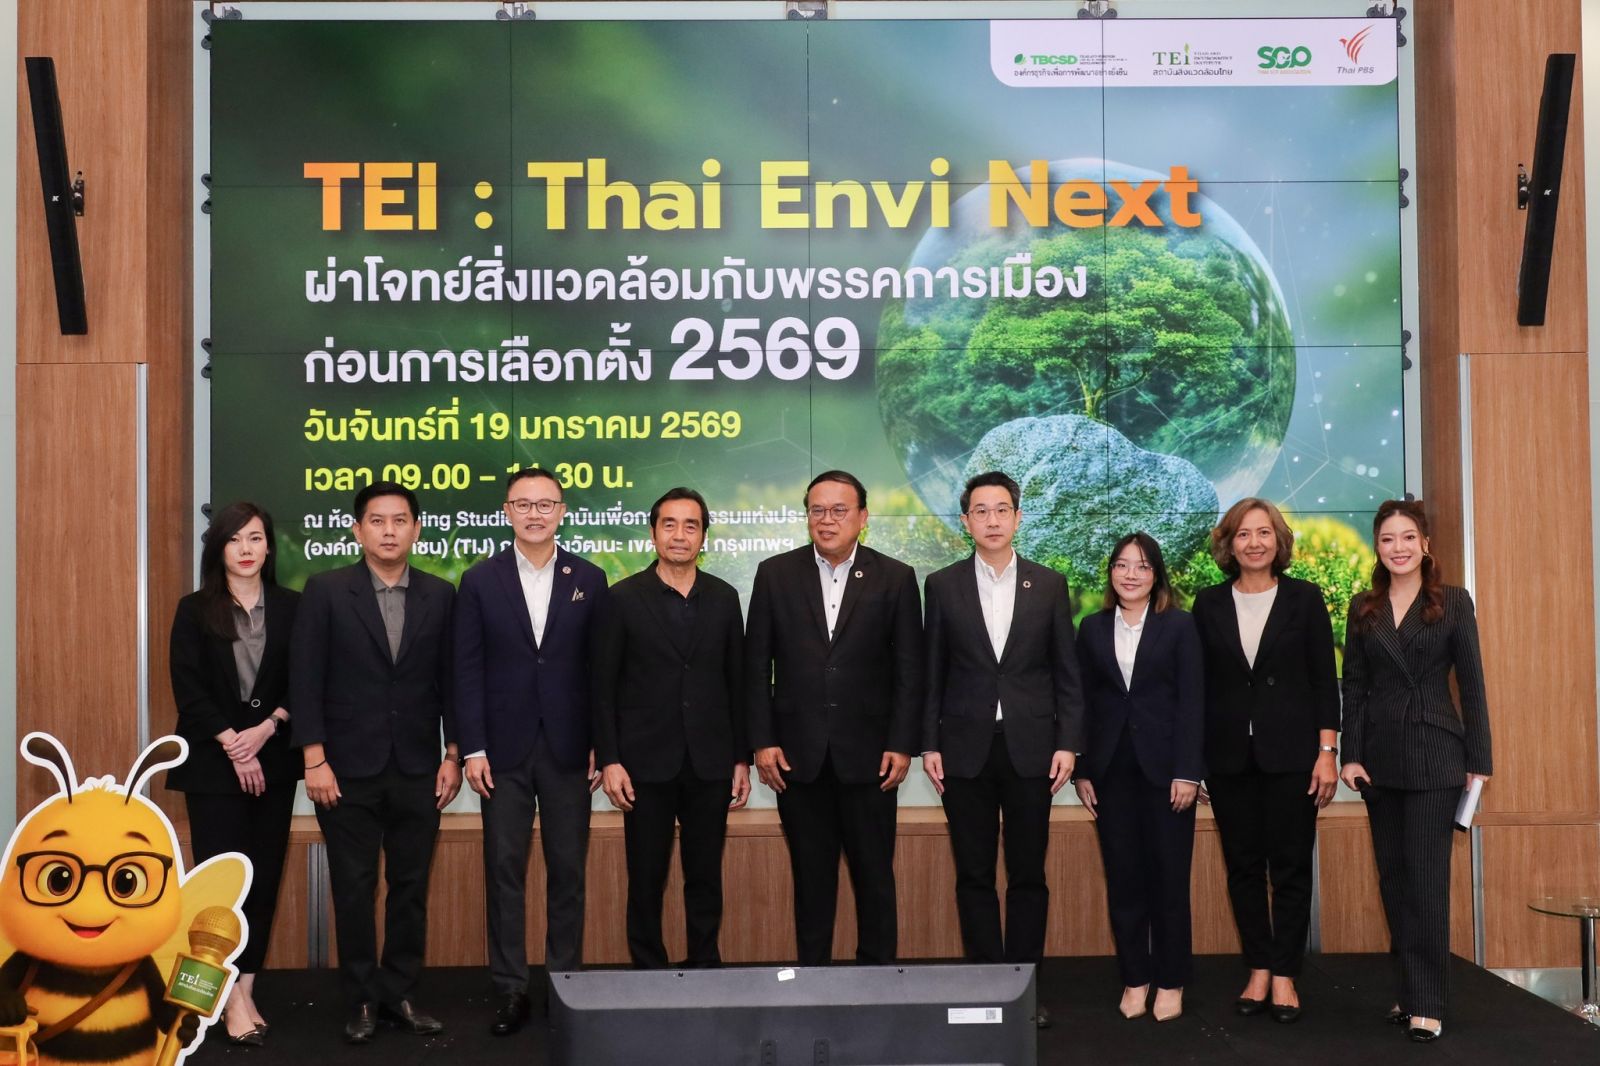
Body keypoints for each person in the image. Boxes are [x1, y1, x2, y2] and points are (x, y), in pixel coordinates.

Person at [291, 482, 462, 1044]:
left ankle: (401, 993)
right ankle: (362, 997)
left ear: (416, 529)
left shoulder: (440, 594)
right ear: (358, 529)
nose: (389, 531)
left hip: (418, 766)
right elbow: (305, 677)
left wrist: (453, 754)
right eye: (377, 520)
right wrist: (314, 758)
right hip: (344, 770)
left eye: (400, 520)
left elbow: (453, 682)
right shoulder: (326, 591)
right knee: (354, 887)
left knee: (410, 886)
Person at [746, 470, 923, 965]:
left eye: (839, 510)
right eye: (817, 510)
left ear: (863, 517)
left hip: (872, 758)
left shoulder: (896, 577)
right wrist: (761, 741)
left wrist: (902, 742)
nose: (827, 520)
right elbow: (755, 665)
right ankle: (813, 982)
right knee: (811, 879)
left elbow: (910, 671)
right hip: (796, 758)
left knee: (874, 878)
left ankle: (878, 980)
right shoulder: (775, 574)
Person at [454, 467, 607, 1035]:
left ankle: (565, 985)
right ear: (507, 512)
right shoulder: (479, 579)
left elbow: (601, 671)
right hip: (502, 751)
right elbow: (466, 669)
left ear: (562, 512)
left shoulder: (589, 578)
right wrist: (472, 747)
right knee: (504, 871)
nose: (535, 514)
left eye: (546, 504)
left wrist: (602, 743)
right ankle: (510, 989)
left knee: (568, 870)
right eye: (524, 504)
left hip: (570, 748)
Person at [921, 471, 1083, 996]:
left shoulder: (1049, 583)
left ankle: (1024, 988)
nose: (992, 520)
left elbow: (1066, 673)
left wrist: (1068, 742)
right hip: (963, 749)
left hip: (1031, 749)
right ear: (965, 521)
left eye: (1002, 510)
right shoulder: (942, 585)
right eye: (981, 511)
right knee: (973, 873)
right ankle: (986, 985)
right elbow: (932, 671)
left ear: (1018, 517)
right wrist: (929, 743)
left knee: (1028, 874)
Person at [1339, 499, 1492, 1043]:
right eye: (1387, 539)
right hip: (1379, 762)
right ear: (1377, 547)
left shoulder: (1452, 602)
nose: (1398, 547)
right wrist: (1350, 755)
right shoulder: (1364, 607)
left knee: (1426, 884)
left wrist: (1480, 762)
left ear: (1425, 544)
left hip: (1436, 758)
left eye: (1408, 537)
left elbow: (1471, 684)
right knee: (1394, 881)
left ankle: (1428, 1003)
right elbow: (1354, 686)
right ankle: (1409, 991)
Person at [1191, 498, 1339, 1023]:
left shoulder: (1305, 598)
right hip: (1228, 758)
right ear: (1229, 544)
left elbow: (1323, 681)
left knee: (1291, 868)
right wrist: (1195, 760)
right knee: (1243, 868)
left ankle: (1285, 973)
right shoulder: (1208, 604)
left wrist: (1327, 753)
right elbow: (1198, 687)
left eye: (1263, 532)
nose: (1254, 542)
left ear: (1278, 541)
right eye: (1243, 534)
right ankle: (1257, 967)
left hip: (1293, 757)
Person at [591, 487, 750, 970]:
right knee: (646, 878)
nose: (680, 535)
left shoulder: (723, 598)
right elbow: (603, 687)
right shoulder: (621, 598)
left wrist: (740, 758)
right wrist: (610, 759)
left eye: (691, 525)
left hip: (709, 762)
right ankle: (648, 972)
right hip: (643, 764)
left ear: (703, 536)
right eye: (670, 524)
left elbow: (738, 682)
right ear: (653, 532)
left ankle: (705, 967)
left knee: (705, 876)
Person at [167, 501, 298, 1046]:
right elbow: (188, 686)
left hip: (275, 758)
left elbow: (305, 681)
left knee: (263, 880)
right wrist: (233, 743)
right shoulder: (195, 609)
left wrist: (267, 728)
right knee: (224, 884)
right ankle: (229, 999)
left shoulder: (293, 607)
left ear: (269, 546)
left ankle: (244, 987)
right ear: (218, 548)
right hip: (213, 766)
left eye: (255, 538)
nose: (246, 549)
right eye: (234, 539)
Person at [1073, 533, 1203, 1023]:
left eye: (1143, 566)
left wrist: (1188, 771)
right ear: (1111, 572)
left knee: (1168, 881)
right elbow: (1082, 703)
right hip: (1110, 774)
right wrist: (1082, 770)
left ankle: (1170, 979)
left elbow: (1193, 701)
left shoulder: (1180, 626)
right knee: (1124, 880)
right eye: (1122, 565)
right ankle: (1135, 978)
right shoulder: (1091, 627)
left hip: (1167, 774)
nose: (1131, 574)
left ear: (1156, 575)